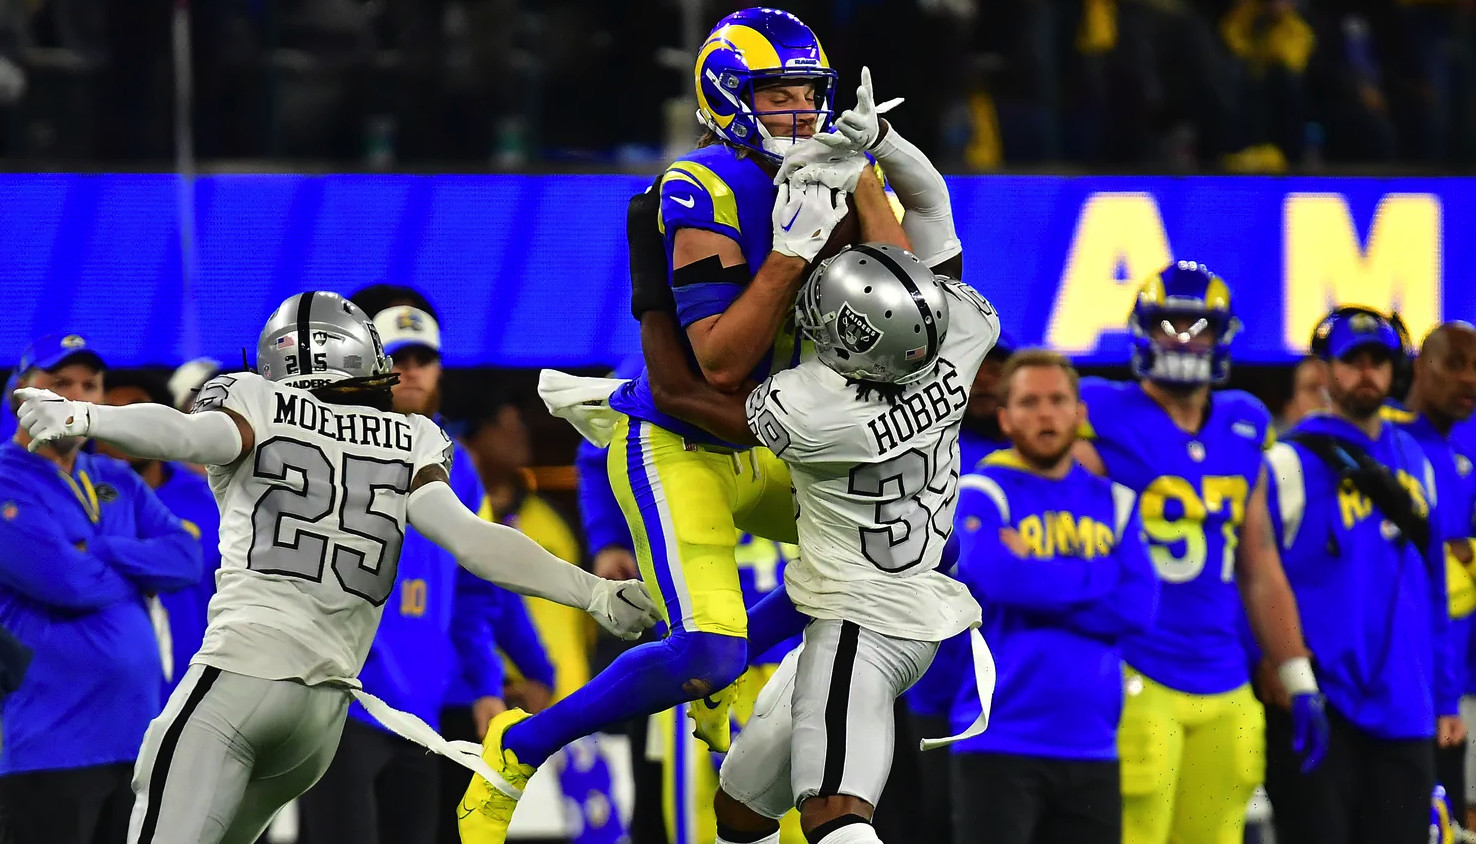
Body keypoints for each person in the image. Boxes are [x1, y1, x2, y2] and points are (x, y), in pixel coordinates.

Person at [456, 9, 912, 841]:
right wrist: (792, 250)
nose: (799, 114)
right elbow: (721, 362)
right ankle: (518, 749)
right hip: (683, 445)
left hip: (772, 444)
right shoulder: (697, 186)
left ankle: (741, 665)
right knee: (706, 653)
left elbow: (908, 303)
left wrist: (868, 177)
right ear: (729, 97)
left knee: (914, 541)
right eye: (776, 94)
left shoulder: (833, 167)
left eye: (809, 95)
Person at [12, 292, 660, 844]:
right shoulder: (413, 438)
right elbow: (475, 541)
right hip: (321, 721)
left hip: (241, 682)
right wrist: (596, 593)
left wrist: (84, 416)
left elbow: (188, 437)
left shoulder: (256, 400)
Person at [654, 242, 1001, 844]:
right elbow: (932, 251)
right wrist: (877, 153)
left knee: (833, 812)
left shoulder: (817, 412)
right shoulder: (962, 340)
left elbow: (682, 393)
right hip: (904, 605)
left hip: (860, 621)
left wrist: (649, 289)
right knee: (742, 809)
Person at [1069, 262, 1327, 844]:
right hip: (1138, 666)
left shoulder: (1245, 419)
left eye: (1197, 326)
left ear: (1222, 334)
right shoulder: (1097, 409)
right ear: (1142, 331)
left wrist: (1297, 676)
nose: (1182, 340)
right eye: (1168, 325)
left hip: (1227, 676)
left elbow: (1260, 563)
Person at [294, 297, 514, 844]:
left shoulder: (456, 465)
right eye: (398, 356)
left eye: (424, 357)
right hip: (342, 703)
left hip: (424, 708)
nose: (411, 369)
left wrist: (486, 684)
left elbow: (473, 592)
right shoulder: (329, 447)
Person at [1262, 308, 1458, 844]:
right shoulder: (1287, 463)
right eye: (1353, 361)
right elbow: (1254, 577)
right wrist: (1273, 669)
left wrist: (1445, 696)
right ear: (1326, 371)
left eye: (1379, 361)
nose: (1367, 373)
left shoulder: (1416, 459)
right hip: (1322, 703)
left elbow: (1435, 584)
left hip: (1407, 704)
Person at [949, 349, 1159, 844]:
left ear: (1079, 414)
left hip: (1092, 745)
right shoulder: (981, 491)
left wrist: (1040, 575)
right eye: (1029, 402)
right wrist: (1098, 574)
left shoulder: (1117, 501)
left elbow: (1140, 607)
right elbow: (997, 578)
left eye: (1057, 400)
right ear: (1004, 418)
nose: (1045, 413)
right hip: (998, 740)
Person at [0, 334, 202, 844]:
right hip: (48, 743)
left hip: (136, 740)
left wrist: (102, 548)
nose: (73, 397)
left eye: (89, 385)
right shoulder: (6, 479)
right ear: (18, 395)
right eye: (57, 383)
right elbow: (65, 581)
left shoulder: (118, 477)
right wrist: (135, 562)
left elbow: (186, 560)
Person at [1383, 320, 1476, 822]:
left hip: (1461, 679)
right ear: (1421, 366)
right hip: (1405, 684)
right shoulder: (1389, 443)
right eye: (1456, 364)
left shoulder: (1468, 447)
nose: (1470, 380)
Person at [97, 369, 224, 699]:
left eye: (138, 409)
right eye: (111, 413)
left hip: (200, 692)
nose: (125, 425)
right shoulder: (74, 499)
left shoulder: (211, 499)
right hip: (104, 695)